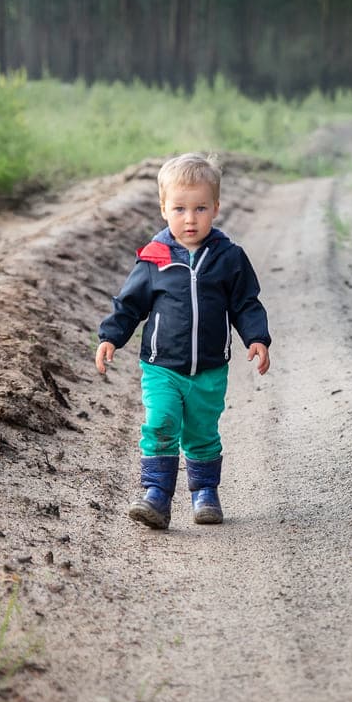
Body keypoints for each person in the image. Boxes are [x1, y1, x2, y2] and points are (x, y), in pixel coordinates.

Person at [95, 153, 271, 529]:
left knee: (202, 432)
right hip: (161, 367)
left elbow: (245, 303)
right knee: (160, 423)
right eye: (179, 208)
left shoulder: (229, 258)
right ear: (163, 209)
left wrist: (256, 338)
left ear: (216, 208)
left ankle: (205, 492)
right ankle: (156, 495)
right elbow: (130, 304)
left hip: (209, 370)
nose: (190, 219)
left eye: (200, 208)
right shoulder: (154, 258)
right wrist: (111, 336)